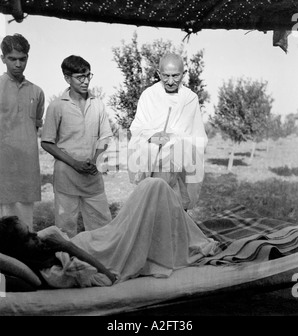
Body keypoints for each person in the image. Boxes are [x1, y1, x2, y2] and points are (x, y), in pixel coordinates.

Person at [0, 178, 219, 288]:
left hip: (105, 237)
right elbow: (108, 278)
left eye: (31, 231)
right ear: (19, 249)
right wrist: (67, 245)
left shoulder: (42, 248)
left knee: (154, 189)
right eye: (28, 237)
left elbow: (41, 237)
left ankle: (187, 237)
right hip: (113, 252)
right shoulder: (56, 272)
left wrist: (55, 240)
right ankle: (188, 240)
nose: (36, 235)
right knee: (155, 187)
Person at [41, 55, 113, 238]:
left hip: (92, 175)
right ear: (67, 78)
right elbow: (47, 142)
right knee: (65, 228)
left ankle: (104, 262)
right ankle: (69, 264)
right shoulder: (57, 106)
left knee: (103, 226)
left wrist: (96, 160)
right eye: (80, 77)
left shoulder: (97, 104)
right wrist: (74, 163)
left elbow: (105, 136)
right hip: (66, 176)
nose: (86, 81)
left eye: (88, 76)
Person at [127, 53, 208, 211]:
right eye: (166, 76)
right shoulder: (149, 96)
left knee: (177, 208)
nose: (170, 81)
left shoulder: (190, 98)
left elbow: (197, 135)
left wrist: (177, 144)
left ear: (183, 74)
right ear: (158, 73)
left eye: (176, 76)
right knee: (155, 209)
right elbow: (137, 129)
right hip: (154, 165)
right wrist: (152, 136)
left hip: (180, 166)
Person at [0, 34, 45, 229]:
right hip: (2, 166)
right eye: (12, 59)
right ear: (3, 58)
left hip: (27, 167)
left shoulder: (37, 92)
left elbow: (34, 126)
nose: (18, 64)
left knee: (25, 226)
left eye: (22, 58)